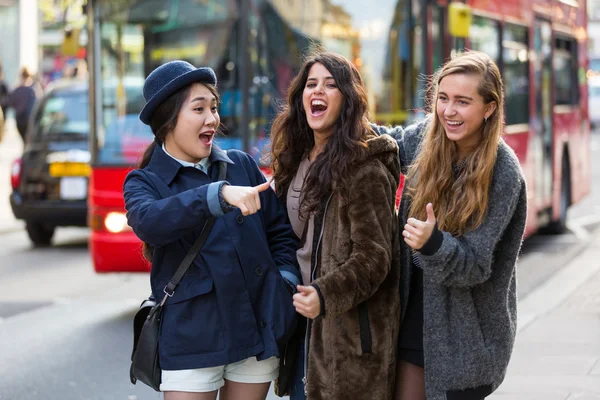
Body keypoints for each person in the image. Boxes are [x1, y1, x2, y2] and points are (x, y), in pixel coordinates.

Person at [123, 60, 301, 400]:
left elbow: (280, 233)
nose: (212, 119)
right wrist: (215, 195)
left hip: (256, 330)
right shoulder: (144, 181)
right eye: (199, 108)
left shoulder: (242, 165)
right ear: (168, 119)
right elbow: (149, 221)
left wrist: (284, 284)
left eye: (214, 107)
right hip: (191, 340)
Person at [372, 50, 528, 400]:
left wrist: (432, 243)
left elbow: (475, 266)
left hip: (465, 341)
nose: (448, 111)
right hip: (412, 320)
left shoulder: (503, 172)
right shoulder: (426, 137)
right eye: (442, 98)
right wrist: (340, 108)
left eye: (462, 101)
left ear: (489, 107)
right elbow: (383, 141)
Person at [269, 51, 402, 400]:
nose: (318, 91)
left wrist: (325, 295)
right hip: (300, 321)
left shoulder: (365, 168)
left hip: (345, 336)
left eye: (330, 85)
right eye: (311, 84)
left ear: (348, 99)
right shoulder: (294, 160)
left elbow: (374, 257)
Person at [8, 66, 40, 141]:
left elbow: (11, 102)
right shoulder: (32, 89)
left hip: (20, 119)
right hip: (29, 119)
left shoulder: (18, 89)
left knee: (25, 139)